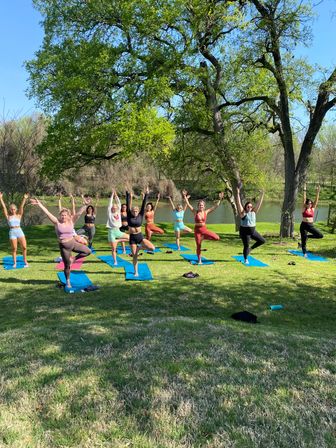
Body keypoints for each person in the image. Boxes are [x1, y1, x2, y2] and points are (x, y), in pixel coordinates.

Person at [30, 197, 91, 288]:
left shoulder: (71, 221)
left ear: (68, 215)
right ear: (60, 216)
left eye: (65, 215)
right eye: (62, 215)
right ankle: (68, 281)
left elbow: (78, 213)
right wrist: (39, 204)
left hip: (73, 243)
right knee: (67, 266)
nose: (63, 217)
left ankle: (73, 259)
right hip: (64, 247)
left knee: (87, 251)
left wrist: (85, 205)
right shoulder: (56, 222)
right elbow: (47, 213)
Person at [183, 190, 224, 264]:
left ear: (204, 206)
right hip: (197, 231)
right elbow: (188, 204)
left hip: (204, 230)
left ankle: (204, 237)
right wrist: (185, 197)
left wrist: (220, 199)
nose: (201, 206)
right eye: (199, 205)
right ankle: (199, 260)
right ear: (198, 206)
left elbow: (215, 206)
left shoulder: (206, 212)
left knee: (217, 238)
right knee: (198, 246)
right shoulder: (195, 211)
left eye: (202, 205)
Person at [126, 187, 155, 276]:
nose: (135, 212)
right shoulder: (129, 215)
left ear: (138, 211)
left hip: (140, 236)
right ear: (131, 211)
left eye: (136, 211)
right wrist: (127, 194)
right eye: (133, 211)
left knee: (152, 248)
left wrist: (146, 194)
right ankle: (136, 272)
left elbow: (143, 204)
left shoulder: (141, 214)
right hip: (132, 238)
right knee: (135, 256)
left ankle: (139, 248)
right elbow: (127, 204)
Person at [236, 185, 266, 264]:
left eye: (251, 206)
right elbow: (239, 205)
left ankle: (251, 249)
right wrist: (238, 194)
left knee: (262, 241)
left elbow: (259, 203)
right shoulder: (243, 214)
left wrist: (262, 194)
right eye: (248, 207)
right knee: (246, 245)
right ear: (245, 207)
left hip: (252, 232)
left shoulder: (253, 212)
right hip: (244, 232)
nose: (249, 208)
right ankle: (246, 259)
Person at [0, 192, 29, 268]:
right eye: (11, 209)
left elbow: (21, 207)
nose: (13, 210)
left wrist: (24, 198)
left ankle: (25, 260)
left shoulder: (19, 215)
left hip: (19, 231)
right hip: (12, 232)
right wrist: (0, 198)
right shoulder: (8, 216)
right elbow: (4, 208)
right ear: (10, 210)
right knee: (14, 248)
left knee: (24, 247)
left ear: (16, 210)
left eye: (14, 209)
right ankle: (15, 262)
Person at [299, 183, 323, 257]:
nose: (310, 204)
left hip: (310, 225)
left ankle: (308, 237)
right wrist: (304, 189)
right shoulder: (304, 208)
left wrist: (317, 192)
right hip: (304, 225)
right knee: (303, 240)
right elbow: (304, 198)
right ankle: (304, 253)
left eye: (310, 203)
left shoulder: (312, 208)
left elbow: (316, 201)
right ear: (306, 204)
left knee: (320, 235)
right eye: (308, 203)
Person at [106, 190, 129, 265]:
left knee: (130, 238)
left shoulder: (118, 212)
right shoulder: (109, 213)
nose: (114, 208)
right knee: (113, 249)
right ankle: (115, 261)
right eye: (113, 207)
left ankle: (118, 241)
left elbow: (119, 203)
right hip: (111, 232)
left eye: (115, 207)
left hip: (118, 231)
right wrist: (112, 194)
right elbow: (109, 204)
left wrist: (116, 196)